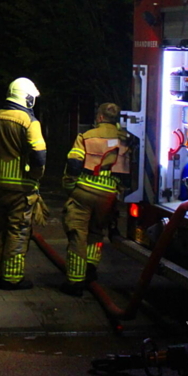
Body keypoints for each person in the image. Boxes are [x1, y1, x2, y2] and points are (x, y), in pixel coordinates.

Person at [60, 102, 133, 295]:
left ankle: (75, 283)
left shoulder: (86, 136)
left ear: (100, 117)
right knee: (96, 232)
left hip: (83, 192)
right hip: (108, 195)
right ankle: (90, 270)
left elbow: (74, 164)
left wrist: (69, 188)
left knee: (78, 234)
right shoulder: (125, 140)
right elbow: (127, 174)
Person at [0, 77, 47, 290]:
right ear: (27, 98)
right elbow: (39, 155)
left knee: (2, 229)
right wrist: (36, 176)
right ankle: (12, 278)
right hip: (21, 186)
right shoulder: (29, 121)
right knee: (18, 230)